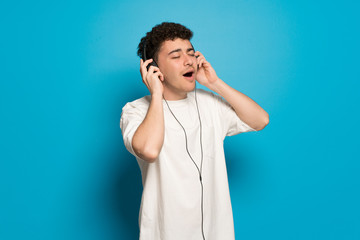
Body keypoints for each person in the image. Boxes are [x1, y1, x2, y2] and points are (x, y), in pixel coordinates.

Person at [120, 22, 269, 240]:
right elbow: (149, 150)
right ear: (153, 67)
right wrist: (157, 94)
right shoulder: (135, 111)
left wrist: (215, 83)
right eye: (176, 55)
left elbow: (260, 120)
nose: (189, 60)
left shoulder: (210, 103)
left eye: (191, 53)